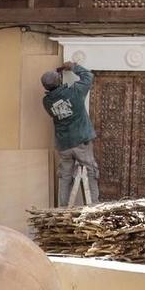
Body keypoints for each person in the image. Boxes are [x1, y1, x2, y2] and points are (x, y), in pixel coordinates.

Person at [43, 61, 99, 207]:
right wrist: (73, 66)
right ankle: (93, 205)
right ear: (60, 80)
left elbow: (59, 99)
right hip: (81, 141)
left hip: (64, 145)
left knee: (65, 176)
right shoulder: (75, 92)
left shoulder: (47, 102)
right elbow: (88, 76)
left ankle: (63, 208)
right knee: (90, 172)